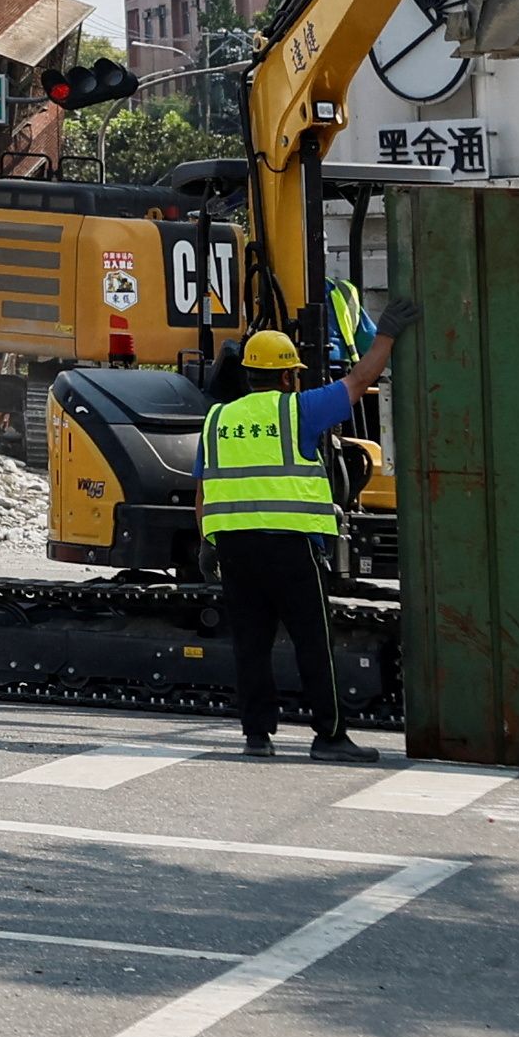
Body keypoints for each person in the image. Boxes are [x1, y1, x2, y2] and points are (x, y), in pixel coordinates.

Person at [202, 315, 393, 764]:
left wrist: (208, 542)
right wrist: (386, 335)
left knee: (251, 643)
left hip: (234, 547)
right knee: (312, 641)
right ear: (288, 375)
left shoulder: (217, 420)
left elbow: (204, 488)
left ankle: (257, 736)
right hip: (289, 547)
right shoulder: (298, 410)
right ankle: (328, 735)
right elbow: (359, 379)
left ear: (248, 374)